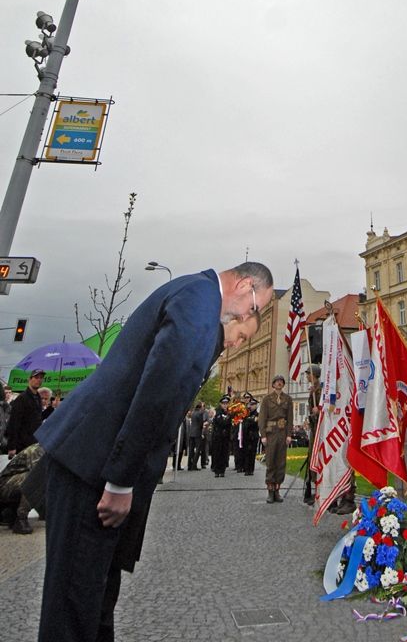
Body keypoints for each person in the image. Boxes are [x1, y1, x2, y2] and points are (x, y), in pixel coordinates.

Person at [35, 260, 273, 642]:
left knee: (93, 600)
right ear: (245, 286)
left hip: (93, 460)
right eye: (253, 311)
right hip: (95, 468)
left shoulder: (193, 294)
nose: (242, 328)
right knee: (73, 609)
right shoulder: (200, 300)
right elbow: (161, 391)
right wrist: (120, 481)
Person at [258, 374, 293, 503]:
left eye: (281, 382)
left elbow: (290, 418)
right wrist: (263, 435)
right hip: (271, 433)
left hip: (282, 433)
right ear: (273, 384)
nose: (279, 383)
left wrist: (289, 434)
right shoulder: (267, 399)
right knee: (271, 461)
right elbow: (262, 419)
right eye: (277, 382)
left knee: (280, 463)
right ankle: (270, 491)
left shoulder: (287, 399)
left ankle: (277, 490)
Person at [0, 441, 46, 534]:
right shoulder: (38, 450)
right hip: (4, 487)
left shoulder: (48, 451)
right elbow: (36, 479)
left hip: (12, 485)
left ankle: (10, 513)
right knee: (39, 477)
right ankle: (21, 518)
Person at [7, 369, 45, 458]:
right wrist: (12, 446)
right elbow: (14, 423)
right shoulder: (22, 398)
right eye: (36, 377)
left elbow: (38, 418)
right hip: (22, 445)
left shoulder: (38, 397)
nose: (39, 380)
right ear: (29, 379)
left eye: (41, 378)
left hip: (34, 443)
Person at [303, 364, 321, 505]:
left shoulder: (319, 390)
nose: (307, 376)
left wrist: (318, 410)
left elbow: (326, 408)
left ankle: (319, 489)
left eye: (308, 373)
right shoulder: (313, 390)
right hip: (314, 427)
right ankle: (314, 487)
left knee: (317, 457)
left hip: (320, 429)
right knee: (311, 457)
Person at [211, 397, 232, 477]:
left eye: (226, 404)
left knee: (224, 453)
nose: (225, 405)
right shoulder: (218, 412)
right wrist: (226, 420)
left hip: (226, 437)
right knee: (217, 453)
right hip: (218, 436)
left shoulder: (229, 413)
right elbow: (219, 422)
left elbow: (230, 424)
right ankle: (217, 470)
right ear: (221, 404)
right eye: (224, 404)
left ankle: (222, 470)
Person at [242, 397, 260, 475]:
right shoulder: (247, 414)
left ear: (256, 406)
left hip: (254, 435)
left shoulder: (258, 415)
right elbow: (245, 425)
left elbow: (255, 424)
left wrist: (250, 421)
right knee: (246, 452)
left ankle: (251, 469)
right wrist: (251, 421)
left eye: (253, 405)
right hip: (247, 436)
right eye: (251, 404)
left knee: (252, 453)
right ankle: (246, 469)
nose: (251, 406)